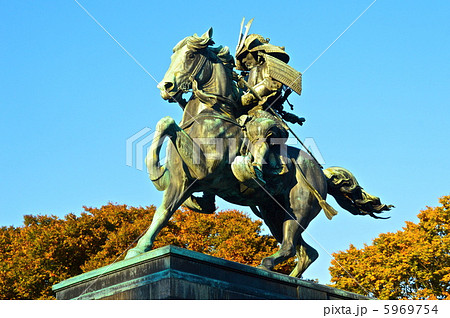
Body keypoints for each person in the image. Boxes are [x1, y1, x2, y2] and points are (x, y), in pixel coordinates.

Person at [232, 33, 302, 187]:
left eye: (245, 56)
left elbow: (272, 86)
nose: (244, 61)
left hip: (265, 117)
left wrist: (247, 97)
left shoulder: (268, 70)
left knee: (262, 128)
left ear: (256, 53)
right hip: (246, 115)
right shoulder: (246, 76)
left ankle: (257, 166)